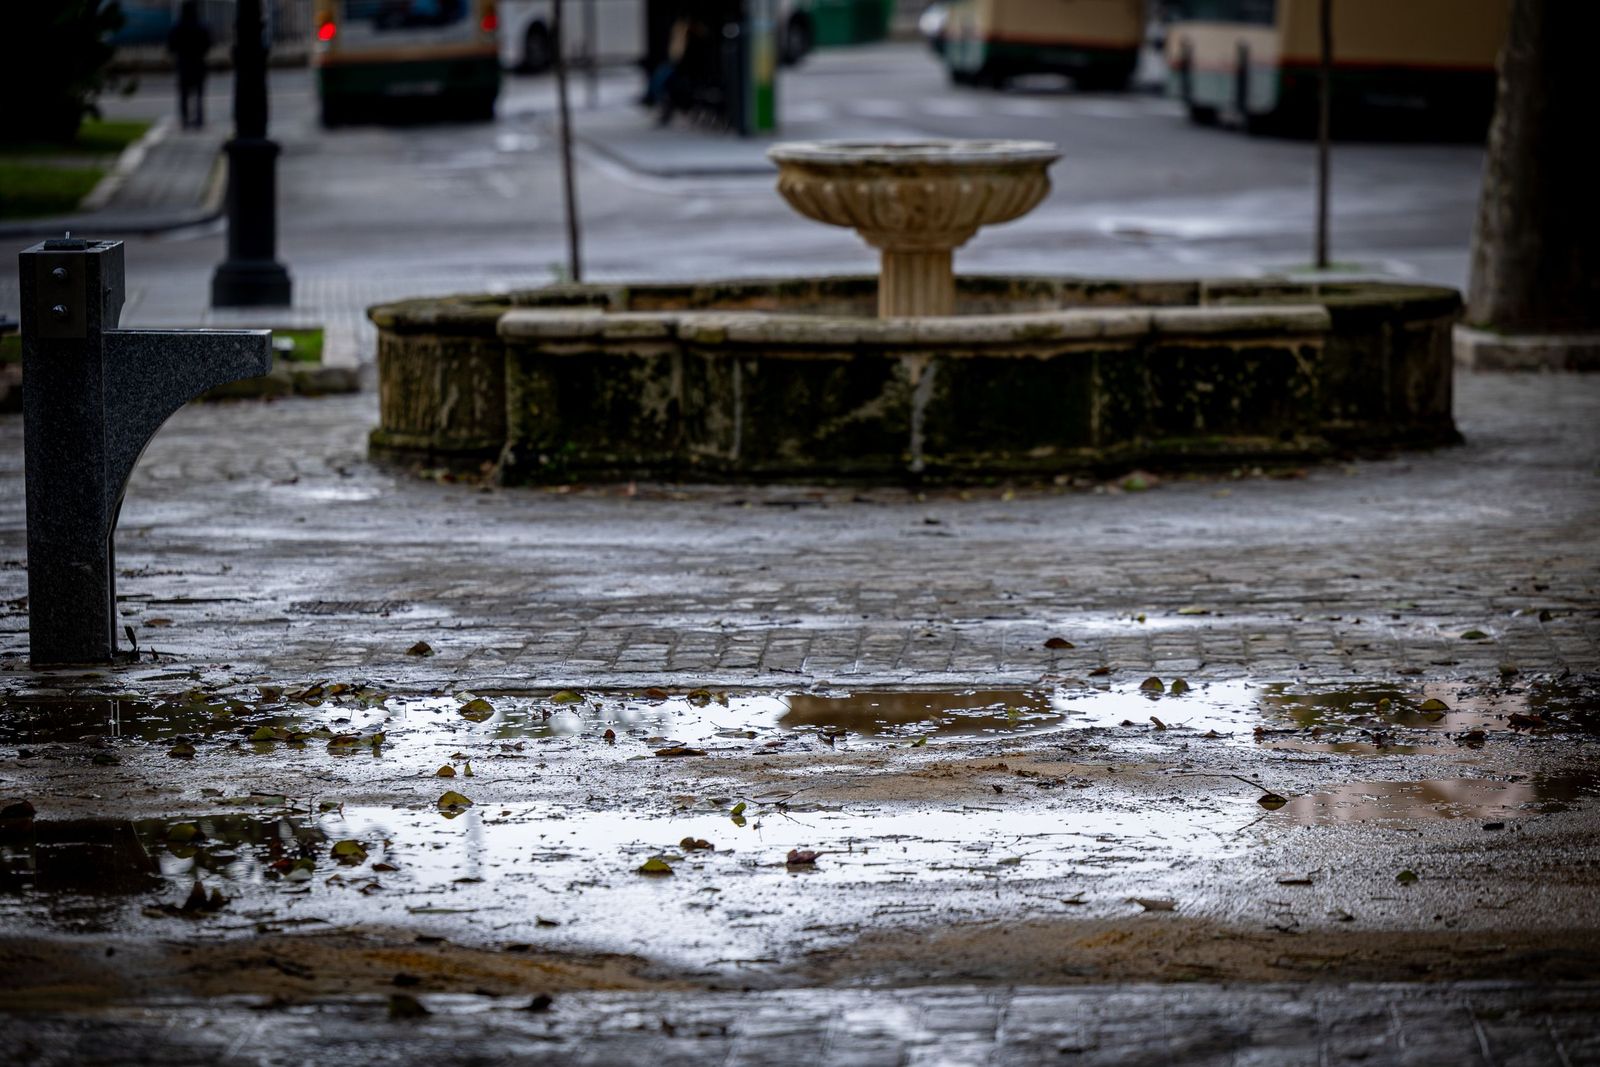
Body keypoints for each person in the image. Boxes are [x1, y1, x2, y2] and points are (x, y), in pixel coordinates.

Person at [167, 1, 213, 130]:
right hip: (199, 63)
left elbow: (171, 46)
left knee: (184, 94)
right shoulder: (202, 26)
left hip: (183, 63)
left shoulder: (177, 27)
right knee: (199, 94)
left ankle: (185, 120)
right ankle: (199, 119)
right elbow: (208, 44)